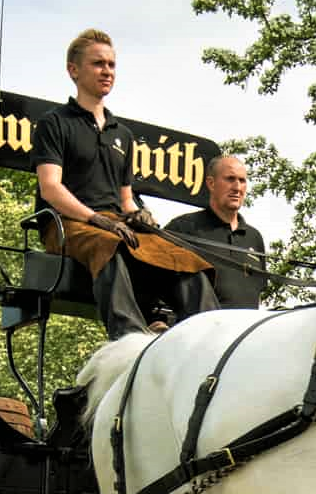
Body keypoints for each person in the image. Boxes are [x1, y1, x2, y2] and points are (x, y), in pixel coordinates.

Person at [30, 28, 219, 338]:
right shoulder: (56, 122)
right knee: (111, 245)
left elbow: (127, 200)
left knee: (184, 258)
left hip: (115, 222)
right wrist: (95, 218)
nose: (107, 71)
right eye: (98, 64)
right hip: (67, 224)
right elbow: (51, 188)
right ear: (73, 70)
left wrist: (140, 215)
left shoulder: (123, 134)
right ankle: (130, 336)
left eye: (111, 65)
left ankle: (208, 335)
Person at [162, 154, 270, 308]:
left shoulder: (254, 238)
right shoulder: (184, 227)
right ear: (211, 183)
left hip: (245, 330)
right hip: (200, 330)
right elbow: (153, 281)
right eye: (230, 179)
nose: (237, 188)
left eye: (242, 180)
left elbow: (257, 294)